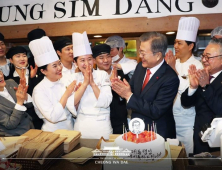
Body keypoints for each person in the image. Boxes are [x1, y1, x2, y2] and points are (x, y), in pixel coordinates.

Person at [111, 32, 179, 139]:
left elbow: (156, 110)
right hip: (137, 129)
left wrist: (128, 95)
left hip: (157, 132)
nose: (140, 56)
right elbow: (132, 90)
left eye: (143, 53)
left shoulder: (170, 78)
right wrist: (121, 89)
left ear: (157, 55)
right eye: (140, 52)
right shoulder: (140, 67)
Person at [165, 17, 203, 155]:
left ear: (191, 46)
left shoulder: (198, 66)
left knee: (184, 156)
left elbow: (186, 91)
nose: (175, 46)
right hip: (169, 117)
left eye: (179, 43)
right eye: (175, 42)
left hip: (186, 120)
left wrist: (172, 70)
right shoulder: (173, 62)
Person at [181, 39, 222, 154]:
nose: (204, 60)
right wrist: (193, 87)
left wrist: (205, 87)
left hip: (218, 141)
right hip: (200, 136)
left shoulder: (206, 80)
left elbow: (219, 108)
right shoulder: (203, 75)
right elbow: (186, 103)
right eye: (203, 56)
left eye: (208, 57)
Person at [30, 36, 78, 132]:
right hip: (53, 132)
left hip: (72, 129)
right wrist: (67, 94)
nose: (59, 68)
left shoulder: (64, 81)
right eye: (54, 66)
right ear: (43, 71)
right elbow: (53, 117)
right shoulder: (39, 90)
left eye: (59, 64)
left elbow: (73, 109)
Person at [72, 32, 113, 139]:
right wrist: (85, 83)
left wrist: (93, 83)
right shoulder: (72, 78)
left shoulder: (103, 74)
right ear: (75, 63)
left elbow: (106, 102)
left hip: (102, 126)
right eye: (82, 60)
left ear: (93, 60)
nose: (87, 63)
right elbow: (70, 105)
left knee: (104, 154)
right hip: (81, 126)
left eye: (89, 59)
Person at [92, 44, 129, 134]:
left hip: (120, 121)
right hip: (100, 122)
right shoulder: (92, 77)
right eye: (101, 58)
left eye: (108, 56)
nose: (106, 60)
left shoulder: (121, 73)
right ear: (94, 60)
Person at [0, 69, 34, 136]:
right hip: (14, 136)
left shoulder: (10, 83)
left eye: (0, 72)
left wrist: (25, 94)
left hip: (30, 127)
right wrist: (19, 103)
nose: (0, 76)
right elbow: (10, 124)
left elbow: (30, 105)